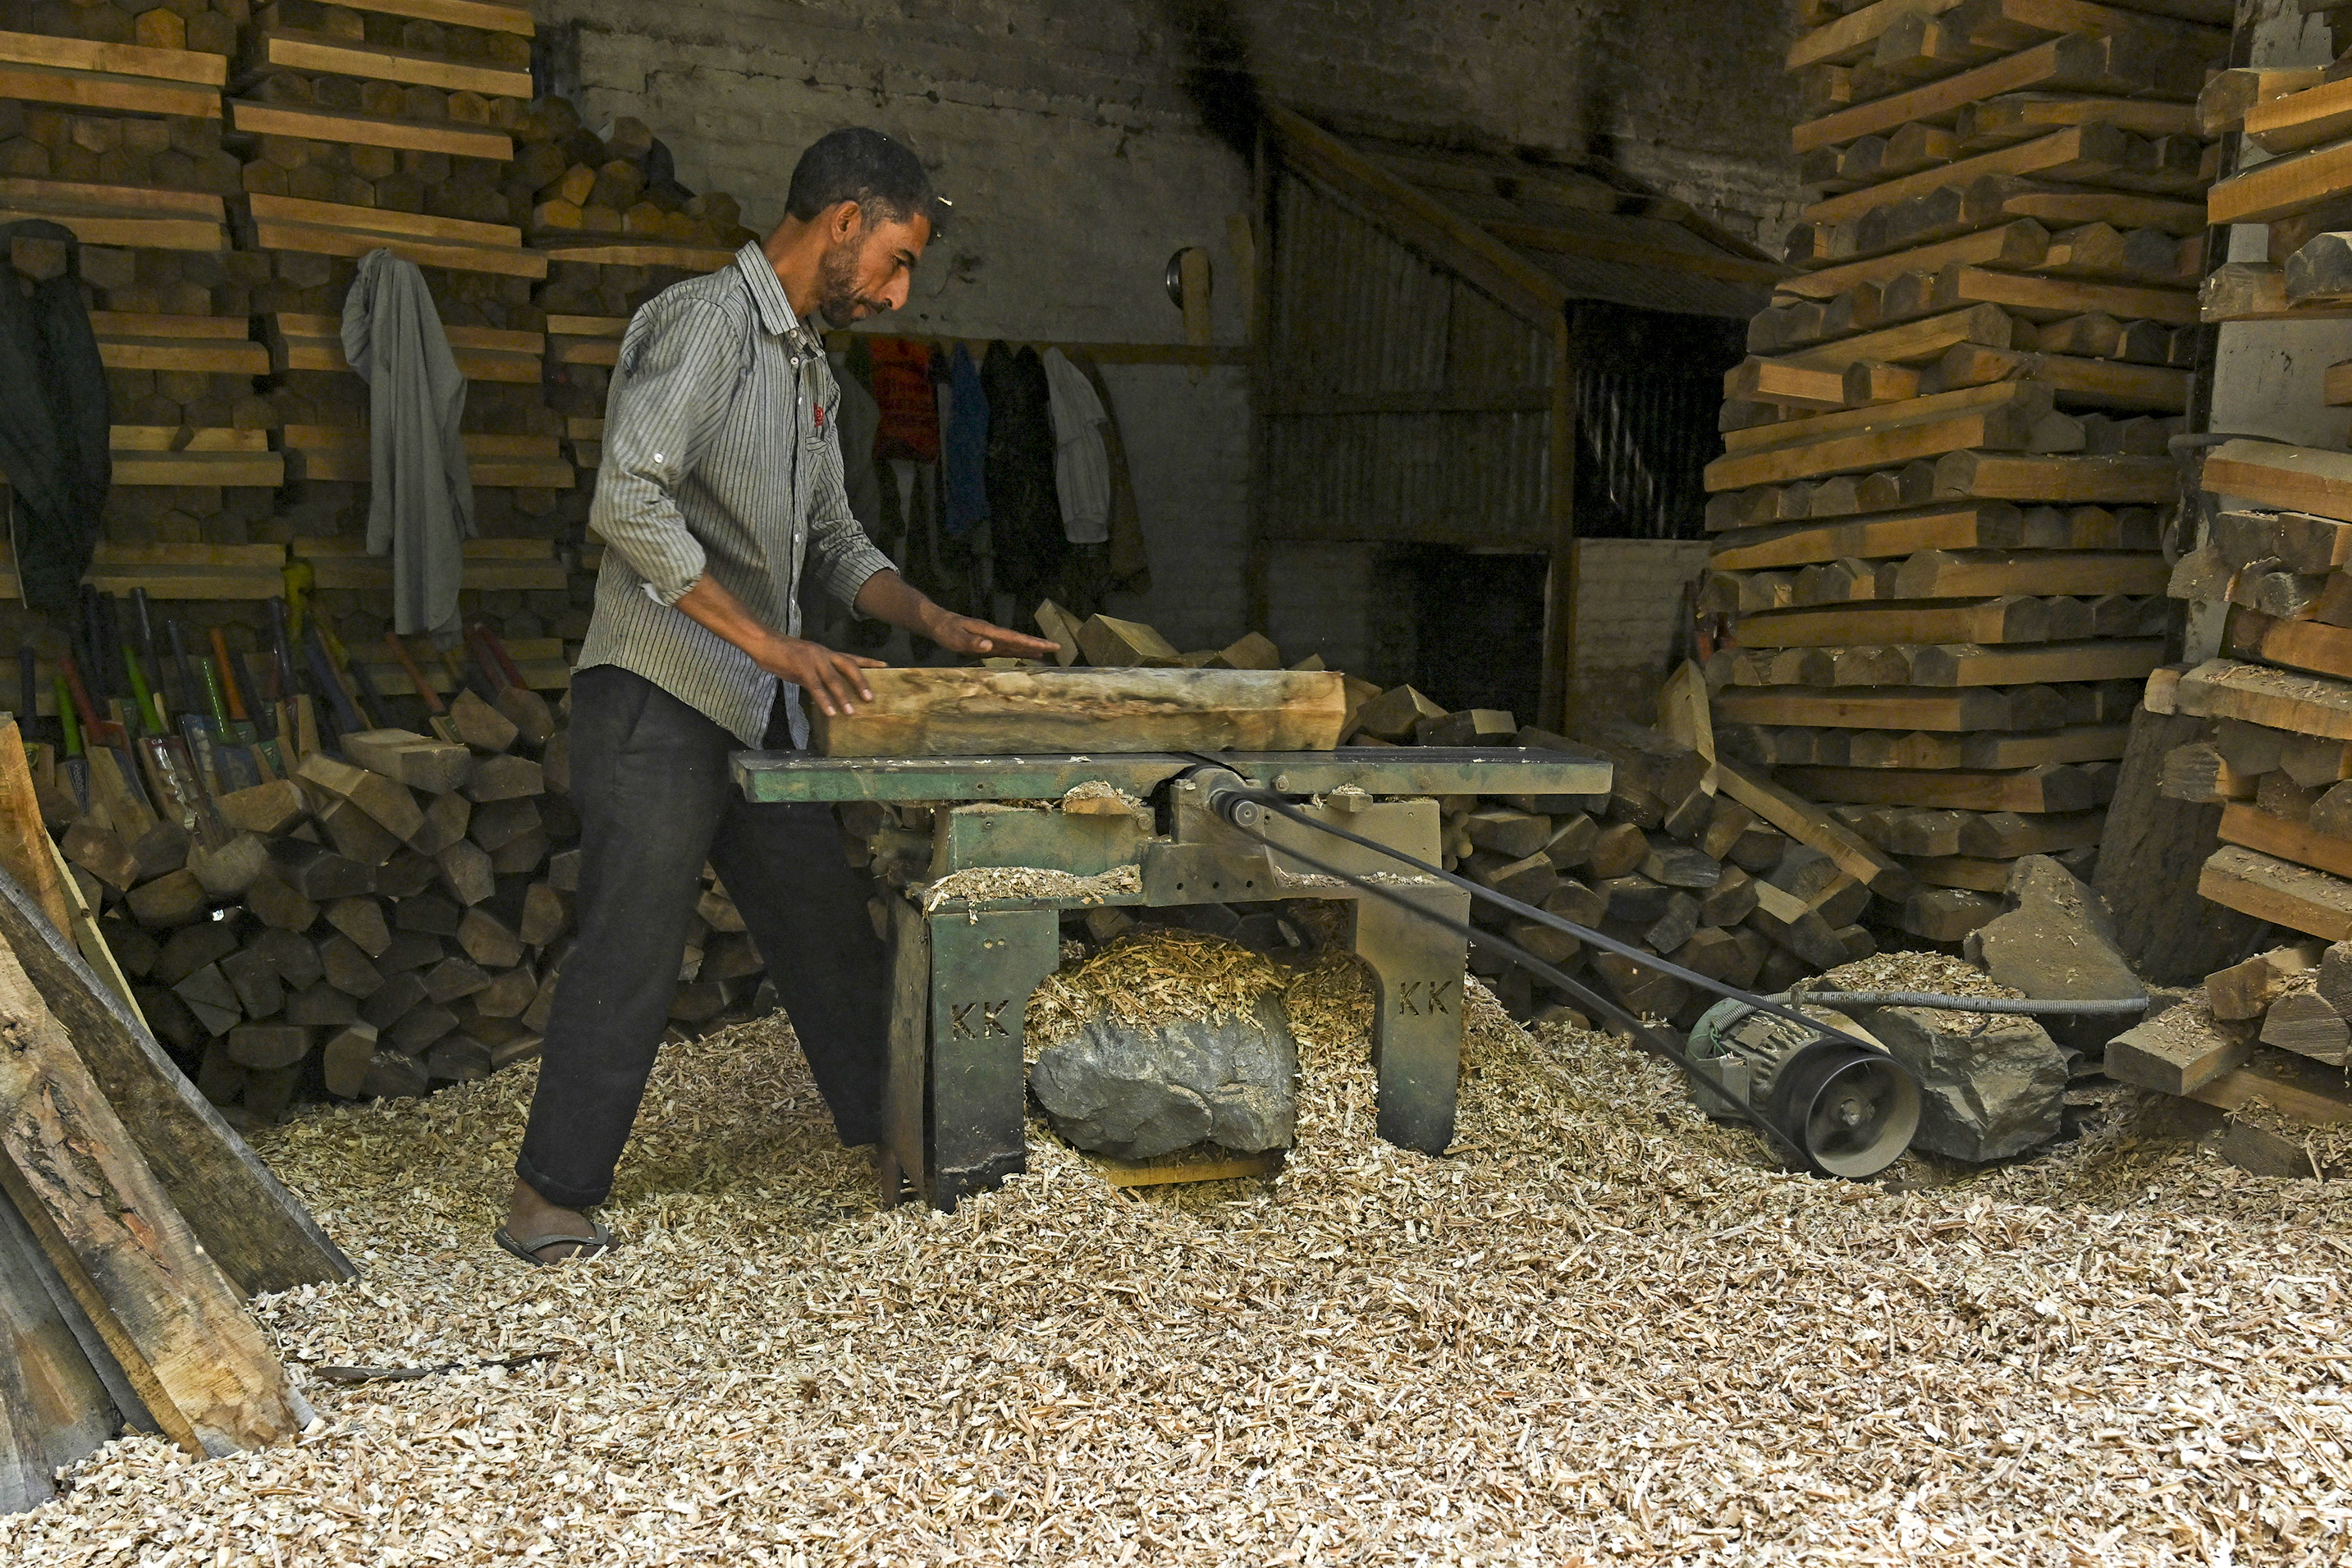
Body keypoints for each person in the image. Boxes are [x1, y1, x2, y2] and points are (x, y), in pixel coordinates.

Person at [498, 128, 1057, 1264]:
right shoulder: (706, 325)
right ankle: (547, 1196)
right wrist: (769, 640)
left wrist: (935, 620)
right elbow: (628, 506)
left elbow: (839, 544)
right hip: (657, 695)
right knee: (631, 944)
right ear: (843, 220)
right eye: (897, 261)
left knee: (822, 926)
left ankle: (896, 1144)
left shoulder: (807, 363)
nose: (899, 293)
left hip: (758, 704)